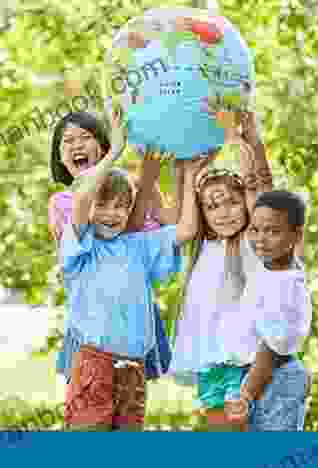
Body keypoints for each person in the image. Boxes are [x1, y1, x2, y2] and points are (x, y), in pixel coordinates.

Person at [58, 132, 209, 430]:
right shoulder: (82, 246)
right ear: (89, 208)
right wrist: (114, 152)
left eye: (121, 206)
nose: (112, 214)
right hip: (93, 363)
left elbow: (187, 229)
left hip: (133, 368)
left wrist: (190, 175)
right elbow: (80, 199)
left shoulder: (139, 245)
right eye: (102, 205)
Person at [48, 111, 181, 397]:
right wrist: (142, 182)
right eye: (67, 141)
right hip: (93, 325)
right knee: (90, 411)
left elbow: (167, 224)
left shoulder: (130, 188)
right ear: (60, 157)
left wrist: (163, 174)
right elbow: (115, 240)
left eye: (85, 137)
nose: (76, 145)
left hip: (132, 319)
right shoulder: (62, 202)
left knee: (127, 411)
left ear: (104, 147)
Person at [169, 111, 279, 431]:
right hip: (210, 361)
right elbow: (183, 207)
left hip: (245, 359)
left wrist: (249, 143)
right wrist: (195, 160)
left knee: (243, 431)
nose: (223, 213)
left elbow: (264, 191)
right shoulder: (201, 245)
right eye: (212, 206)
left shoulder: (251, 240)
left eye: (232, 202)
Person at [223, 190, 312, 431]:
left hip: (272, 379)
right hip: (263, 376)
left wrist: (245, 396)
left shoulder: (283, 286)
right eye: (255, 230)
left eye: (272, 231)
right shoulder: (276, 269)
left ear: (296, 235)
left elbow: (268, 352)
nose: (261, 239)